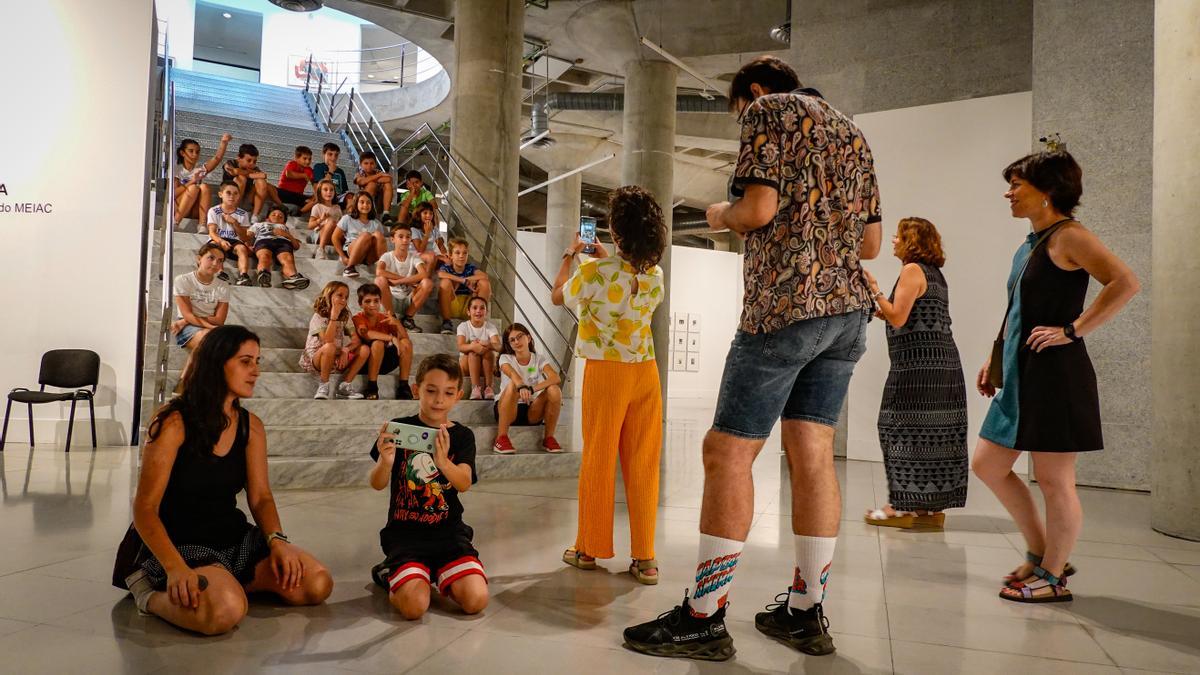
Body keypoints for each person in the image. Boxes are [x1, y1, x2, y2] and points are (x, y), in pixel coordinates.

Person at [623, 55, 882, 661]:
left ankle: (703, 615)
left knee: (727, 451)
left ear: (755, 92)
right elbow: (870, 242)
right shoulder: (852, 130)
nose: (743, 121)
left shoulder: (768, 110)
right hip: (846, 315)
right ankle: (805, 611)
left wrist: (720, 215)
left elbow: (757, 209)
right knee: (813, 452)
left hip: (784, 307)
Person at [972, 150, 1139, 603]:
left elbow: (1125, 282)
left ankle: (1052, 577)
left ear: (1047, 192)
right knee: (988, 464)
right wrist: (996, 355)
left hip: (1055, 375)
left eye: (1016, 185)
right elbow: (1018, 309)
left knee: (1054, 480)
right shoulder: (1031, 243)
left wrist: (1073, 329)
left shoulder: (1071, 237)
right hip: (1022, 372)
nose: (1008, 193)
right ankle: (1045, 553)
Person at [114, 325, 333, 635]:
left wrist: (278, 543)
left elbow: (261, 498)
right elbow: (145, 508)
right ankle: (149, 595)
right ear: (217, 363)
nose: (255, 371)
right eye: (246, 361)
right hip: (180, 542)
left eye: (258, 361)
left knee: (316, 583)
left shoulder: (250, 426)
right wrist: (176, 568)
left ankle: (224, 583)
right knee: (225, 612)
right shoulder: (173, 422)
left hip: (231, 537)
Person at [551, 185, 667, 588]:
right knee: (644, 463)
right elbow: (628, 280)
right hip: (646, 373)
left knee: (599, 458)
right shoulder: (655, 275)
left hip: (607, 373)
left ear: (616, 234)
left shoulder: (592, 272)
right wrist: (609, 259)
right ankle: (646, 558)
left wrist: (570, 255)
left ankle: (589, 548)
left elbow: (556, 296)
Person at [861, 218, 967, 529]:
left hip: (917, 369)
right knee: (933, 436)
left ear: (912, 240)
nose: (893, 239)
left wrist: (876, 290)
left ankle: (900, 507)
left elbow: (897, 317)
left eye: (898, 234)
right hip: (942, 365)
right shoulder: (936, 275)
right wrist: (883, 306)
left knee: (897, 427)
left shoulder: (911, 270)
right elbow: (909, 316)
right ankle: (930, 510)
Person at [368, 354, 489, 620]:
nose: (438, 400)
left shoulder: (462, 436)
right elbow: (376, 483)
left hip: (449, 535)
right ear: (416, 389)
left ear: (458, 395)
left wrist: (444, 463)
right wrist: (385, 462)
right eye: (431, 391)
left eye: (447, 393)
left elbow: (464, 483)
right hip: (406, 536)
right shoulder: (400, 429)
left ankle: (435, 573)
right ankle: (394, 573)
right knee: (414, 607)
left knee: (476, 599)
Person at [492, 322, 563, 454]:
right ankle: (501, 438)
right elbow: (513, 374)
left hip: (532, 410)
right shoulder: (505, 358)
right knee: (513, 384)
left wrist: (531, 390)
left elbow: (555, 377)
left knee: (554, 389)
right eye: (512, 340)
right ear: (509, 345)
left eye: (520, 336)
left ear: (528, 338)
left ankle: (549, 438)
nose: (517, 341)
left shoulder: (538, 359)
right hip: (507, 409)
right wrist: (521, 386)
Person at [300, 281, 369, 400]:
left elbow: (356, 340)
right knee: (329, 346)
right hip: (317, 359)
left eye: (346, 297)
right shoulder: (318, 317)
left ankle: (345, 386)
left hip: (336, 358)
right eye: (339, 295)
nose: (343, 300)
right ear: (329, 295)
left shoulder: (344, 317)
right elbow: (327, 341)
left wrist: (346, 349)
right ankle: (324, 385)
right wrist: (333, 317)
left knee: (365, 349)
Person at [353, 283, 415, 400]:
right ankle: (372, 386)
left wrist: (397, 323)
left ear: (380, 301)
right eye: (367, 301)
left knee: (406, 343)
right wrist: (392, 338)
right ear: (360, 304)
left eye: (376, 301)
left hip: (384, 363)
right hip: (365, 363)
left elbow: (405, 338)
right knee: (378, 343)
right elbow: (366, 334)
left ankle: (404, 386)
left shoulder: (385, 318)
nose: (373, 305)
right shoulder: (358, 318)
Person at [171, 242, 229, 351]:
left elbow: (219, 320)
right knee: (212, 341)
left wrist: (185, 321)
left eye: (220, 260)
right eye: (211, 258)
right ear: (199, 259)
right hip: (188, 327)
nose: (215, 263)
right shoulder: (183, 280)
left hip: (190, 324)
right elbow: (187, 315)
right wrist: (211, 327)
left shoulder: (223, 285)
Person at [374, 226, 433, 333]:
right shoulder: (387, 256)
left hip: (409, 298)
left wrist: (398, 281)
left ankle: (408, 319)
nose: (405, 240)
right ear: (392, 239)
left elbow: (424, 274)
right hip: (391, 298)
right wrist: (408, 280)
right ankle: (390, 317)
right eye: (400, 237)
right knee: (379, 280)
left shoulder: (414, 257)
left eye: (408, 237)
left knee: (427, 283)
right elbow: (379, 272)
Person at [173, 134, 231, 225]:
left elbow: (216, 159)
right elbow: (173, 194)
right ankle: (175, 222)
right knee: (193, 188)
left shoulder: (199, 169)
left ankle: (202, 224)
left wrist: (224, 143)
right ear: (182, 153)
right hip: (179, 207)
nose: (194, 154)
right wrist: (192, 181)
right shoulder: (176, 169)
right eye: (191, 151)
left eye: (197, 152)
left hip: (195, 210)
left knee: (205, 187)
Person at [437, 238, 491, 335]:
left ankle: (477, 321)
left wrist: (469, 279)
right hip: (453, 304)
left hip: (469, 307)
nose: (461, 256)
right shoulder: (447, 268)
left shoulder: (470, 268)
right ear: (450, 255)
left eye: (464, 253)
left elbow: (484, 276)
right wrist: (462, 281)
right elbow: (440, 274)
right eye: (457, 253)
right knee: (445, 282)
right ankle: (446, 322)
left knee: (484, 283)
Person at [248, 205, 309, 290]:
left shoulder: (286, 228)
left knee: (287, 259)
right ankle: (264, 274)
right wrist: (247, 244)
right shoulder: (258, 224)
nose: (277, 216)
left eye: (281, 216)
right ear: (267, 218)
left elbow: (296, 246)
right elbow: (247, 236)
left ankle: (293, 277)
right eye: (273, 214)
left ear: (284, 222)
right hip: (264, 240)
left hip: (283, 242)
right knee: (265, 256)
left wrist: (286, 235)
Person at [205, 182, 253, 286]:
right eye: (228, 193)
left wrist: (235, 223)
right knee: (214, 246)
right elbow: (212, 233)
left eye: (235, 193)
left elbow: (244, 237)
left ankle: (243, 275)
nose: (232, 196)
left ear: (239, 196)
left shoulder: (243, 214)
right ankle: (219, 272)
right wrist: (221, 241)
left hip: (235, 242)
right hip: (218, 239)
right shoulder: (213, 211)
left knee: (242, 248)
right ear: (220, 194)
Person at [221, 143, 283, 221]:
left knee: (262, 182)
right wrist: (250, 174)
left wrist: (242, 172)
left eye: (254, 161)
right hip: (230, 199)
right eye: (249, 160)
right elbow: (232, 171)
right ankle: (233, 211)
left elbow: (263, 176)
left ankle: (255, 216)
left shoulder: (254, 168)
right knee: (241, 178)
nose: (252, 164)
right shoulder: (231, 163)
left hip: (247, 199)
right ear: (239, 158)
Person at [455, 296, 501, 400]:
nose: (478, 311)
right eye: (474, 308)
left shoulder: (490, 327)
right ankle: (475, 388)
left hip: (485, 366)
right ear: (468, 312)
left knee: (489, 352)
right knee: (473, 352)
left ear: (486, 312)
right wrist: (473, 346)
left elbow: (498, 346)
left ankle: (489, 387)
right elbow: (460, 346)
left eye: (482, 308)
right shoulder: (463, 326)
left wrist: (487, 344)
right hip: (467, 365)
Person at [334, 192, 386, 279]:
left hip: (369, 256)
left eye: (368, 202)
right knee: (366, 235)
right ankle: (349, 268)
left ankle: (384, 268)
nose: (365, 205)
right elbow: (335, 237)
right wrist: (342, 257)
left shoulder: (376, 223)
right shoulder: (347, 218)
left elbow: (380, 243)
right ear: (356, 203)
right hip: (352, 250)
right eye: (362, 202)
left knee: (378, 235)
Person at [354, 151, 395, 220]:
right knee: (371, 185)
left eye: (372, 163)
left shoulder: (377, 171)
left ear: (375, 164)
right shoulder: (359, 173)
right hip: (362, 202)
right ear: (361, 164)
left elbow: (389, 179)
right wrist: (379, 176)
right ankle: (366, 211)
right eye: (366, 163)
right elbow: (361, 181)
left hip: (379, 201)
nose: (369, 166)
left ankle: (386, 214)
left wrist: (369, 179)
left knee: (387, 184)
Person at [307, 179, 342, 260]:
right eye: (325, 190)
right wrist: (321, 219)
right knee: (331, 222)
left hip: (334, 236)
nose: (329, 192)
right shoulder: (317, 207)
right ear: (320, 192)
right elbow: (310, 226)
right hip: (320, 234)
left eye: (331, 190)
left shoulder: (337, 208)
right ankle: (321, 249)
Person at [409, 202, 448, 271]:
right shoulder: (413, 229)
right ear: (419, 215)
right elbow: (420, 250)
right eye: (425, 213)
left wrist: (445, 255)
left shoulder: (434, 229)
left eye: (431, 213)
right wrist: (427, 233)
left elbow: (441, 245)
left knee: (449, 260)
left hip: (431, 255)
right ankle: (425, 276)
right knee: (432, 256)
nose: (428, 215)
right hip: (416, 256)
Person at [312, 142, 351, 209]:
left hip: (338, 197)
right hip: (325, 195)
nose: (333, 158)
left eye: (336, 155)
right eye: (330, 154)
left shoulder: (340, 171)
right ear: (324, 154)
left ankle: (349, 215)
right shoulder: (319, 167)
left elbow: (344, 190)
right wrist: (331, 171)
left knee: (350, 196)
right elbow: (319, 186)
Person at [277, 145, 314, 211]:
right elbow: (289, 174)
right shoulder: (292, 163)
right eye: (305, 158)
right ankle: (280, 204)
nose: (308, 161)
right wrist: (304, 175)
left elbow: (315, 184)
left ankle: (299, 212)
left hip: (297, 195)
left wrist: (315, 195)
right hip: (284, 192)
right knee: (269, 187)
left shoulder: (309, 170)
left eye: (310, 159)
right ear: (296, 158)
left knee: (317, 199)